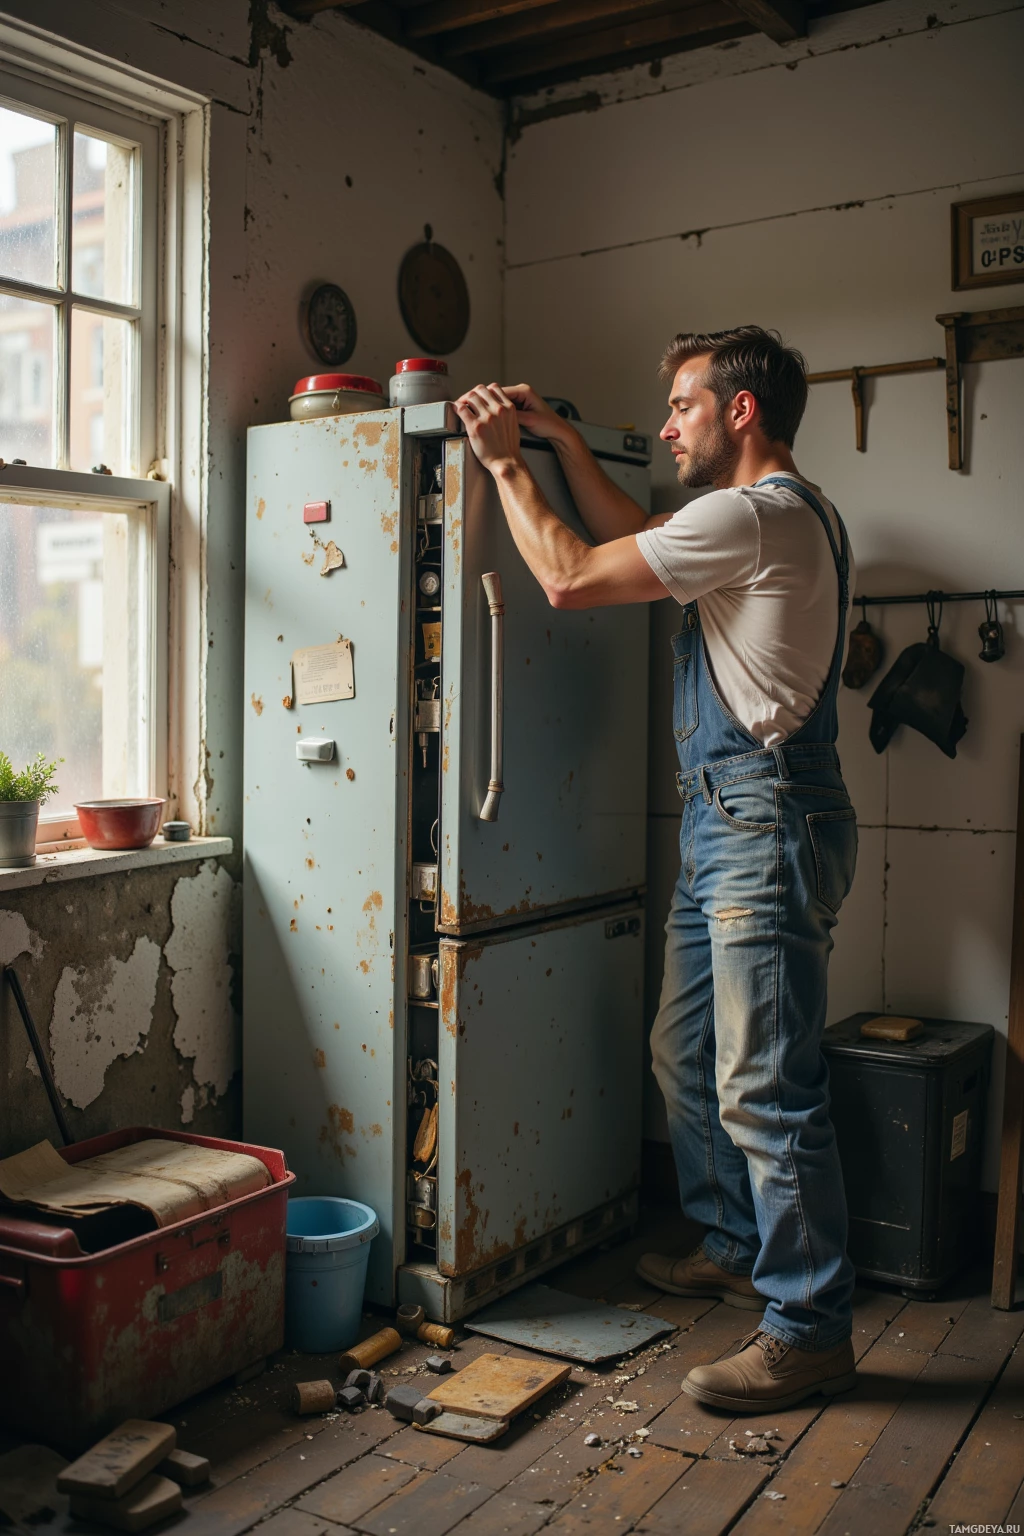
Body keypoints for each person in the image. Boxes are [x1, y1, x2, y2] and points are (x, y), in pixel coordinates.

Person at [453, 327, 859, 1414]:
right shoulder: (772, 517)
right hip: (736, 821)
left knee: (766, 1090)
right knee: (685, 1052)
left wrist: (502, 461)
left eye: (683, 403)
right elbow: (638, 535)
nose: (668, 422)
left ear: (739, 412)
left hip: (759, 823)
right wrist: (567, 444)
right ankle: (735, 1243)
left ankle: (809, 1328)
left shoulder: (753, 512)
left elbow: (576, 577)